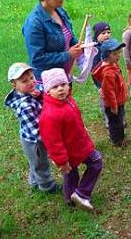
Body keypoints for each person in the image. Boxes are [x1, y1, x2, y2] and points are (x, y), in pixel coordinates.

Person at [39, 69, 103, 211]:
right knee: (71, 174)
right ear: (48, 91)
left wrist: (83, 130)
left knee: (95, 162)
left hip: (80, 144)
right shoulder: (49, 115)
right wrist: (62, 161)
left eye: (63, 84)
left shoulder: (68, 100)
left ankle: (79, 194)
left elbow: (76, 119)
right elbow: (52, 142)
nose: (60, 88)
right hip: (68, 153)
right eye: (55, 87)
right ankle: (73, 199)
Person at [4, 63, 61, 194]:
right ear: (14, 85)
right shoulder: (25, 106)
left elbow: (47, 95)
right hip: (34, 141)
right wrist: (53, 139)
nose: (30, 82)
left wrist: (40, 95)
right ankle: (47, 186)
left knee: (34, 162)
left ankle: (34, 181)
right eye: (24, 81)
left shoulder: (35, 90)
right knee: (40, 163)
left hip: (40, 133)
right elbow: (36, 131)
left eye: (31, 77)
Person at [22, 0, 83, 82]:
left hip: (63, 77)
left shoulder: (61, 12)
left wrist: (81, 45)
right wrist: (67, 55)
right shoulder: (34, 23)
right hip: (47, 82)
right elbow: (37, 59)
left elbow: (68, 37)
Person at [92, 39, 128, 146]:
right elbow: (109, 92)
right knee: (116, 123)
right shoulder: (108, 73)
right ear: (107, 55)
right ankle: (117, 141)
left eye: (119, 52)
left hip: (118, 101)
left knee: (119, 120)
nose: (118, 56)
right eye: (115, 54)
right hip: (114, 103)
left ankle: (118, 137)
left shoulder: (113, 64)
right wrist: (114, 106)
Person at [91, 21, 112, 128]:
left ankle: (118, 117)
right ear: (96, 36)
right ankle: (108, 118)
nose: (107, 35)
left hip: (112, 80)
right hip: (102, 82)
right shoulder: (95, 51)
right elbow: (94, 70)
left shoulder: (111, 46)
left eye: (108, 32)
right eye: (103, 33)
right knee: (105, 100)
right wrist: (99, 86)